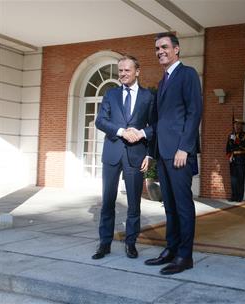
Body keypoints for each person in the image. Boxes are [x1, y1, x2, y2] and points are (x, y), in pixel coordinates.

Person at [144, 32, 202, 275]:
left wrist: (184, 147)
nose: (160, 51)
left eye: (164, 47)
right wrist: (145, 139)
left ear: (176, 49)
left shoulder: (187, 74)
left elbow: (194, 111)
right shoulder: (163, 81)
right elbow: (161, 121)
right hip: (164, 153)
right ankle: (171, 249)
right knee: (168, 205)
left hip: (179, 153)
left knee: (183, 206)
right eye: (157, 48)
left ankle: (184, 256)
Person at [92, 55, 155, 260]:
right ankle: (104, 244)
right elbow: (100, 121)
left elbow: (155, 126)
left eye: (127, 70)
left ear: (137, 71)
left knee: (134, 203)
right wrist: (121, 131)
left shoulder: (148, 97)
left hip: (136, 155)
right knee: (108, 201)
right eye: (120, 70)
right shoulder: (110, 94)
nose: (123, 74)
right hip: (112, 154)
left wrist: (149, 152)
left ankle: (131, 243)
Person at [226, 119, 245, 202]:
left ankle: (239, 197)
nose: (236, 126)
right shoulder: (230, 135)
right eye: (235, 125)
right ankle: (234, 196)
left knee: (240, 178)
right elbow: (228, 148)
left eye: (238, 125)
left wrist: (236, 139)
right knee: (233, 179)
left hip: (241, 159)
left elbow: (244, 145)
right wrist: (229, 157)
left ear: (241, 126)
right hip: (233, 159)